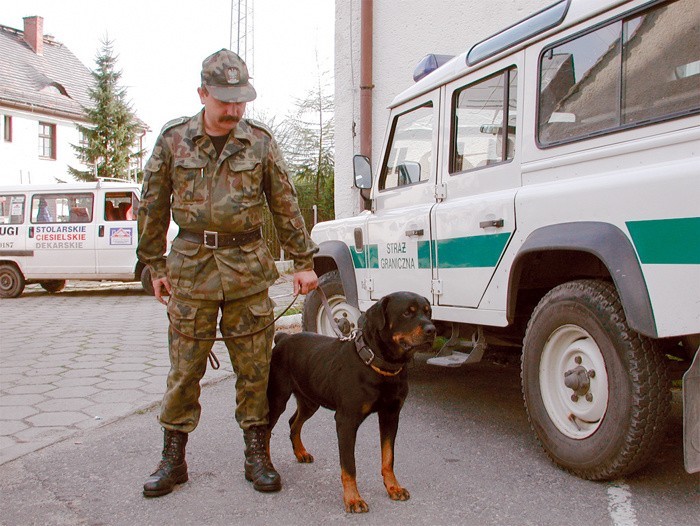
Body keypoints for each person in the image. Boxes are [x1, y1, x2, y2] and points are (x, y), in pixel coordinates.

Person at [137, 49, 318, 498]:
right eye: (225, 100)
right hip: (191, 270)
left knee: (255, 369)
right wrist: (154, 264)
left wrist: (303, 261)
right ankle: (172, 460)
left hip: (247, 271)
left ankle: (257, 455)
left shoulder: (258, 141)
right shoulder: (174, 139)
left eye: (241, 100)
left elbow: (285, 202)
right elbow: (153, 204)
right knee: (184, 370)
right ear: (203, 93)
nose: (234, 109)